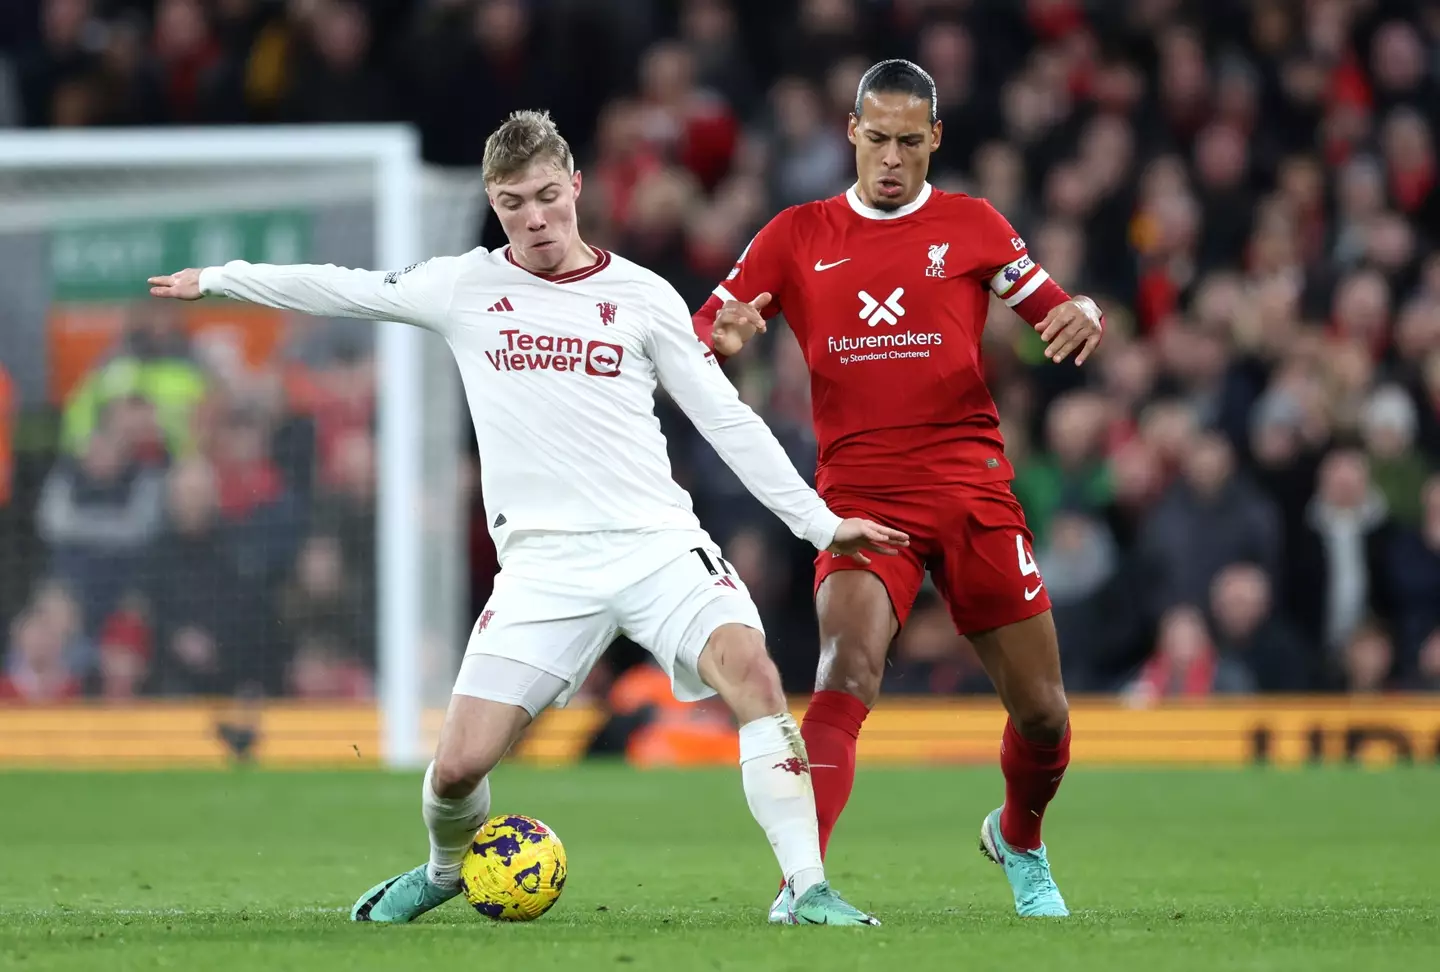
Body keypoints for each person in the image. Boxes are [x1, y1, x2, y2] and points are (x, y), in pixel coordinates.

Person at [149, 109, 907, 927]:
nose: (536, 218)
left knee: (754, 677)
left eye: (548, 196)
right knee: (454, 771)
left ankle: (807, 885)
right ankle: (445, 870)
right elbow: (346, 287)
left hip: (658, 545)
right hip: (544, 568)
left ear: (577, 186)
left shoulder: (643, 296)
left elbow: (726, 419)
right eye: (514, 203)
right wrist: (222, 278)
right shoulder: (466, 287)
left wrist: (819, 524)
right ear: (492, 201)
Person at [694, 60, 1105, 920]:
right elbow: (701, 332)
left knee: (1043, 715)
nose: (891, 159)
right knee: (845, 669)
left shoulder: (973, 226)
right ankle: (800, 888)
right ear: (850, 132)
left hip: (972, 488)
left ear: (935, 141)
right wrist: (718, 336)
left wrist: (1089, 312)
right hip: (858, 498)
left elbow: (1055, 313)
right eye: (876, 139)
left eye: (909, 143)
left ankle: (1018, 837)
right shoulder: (797, 234)